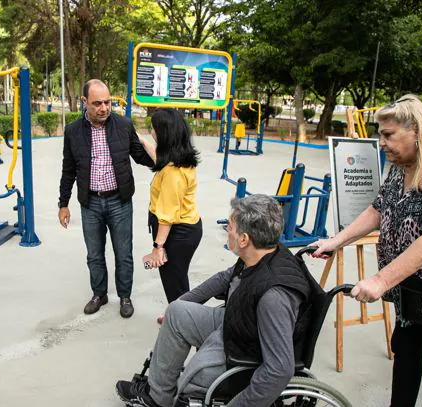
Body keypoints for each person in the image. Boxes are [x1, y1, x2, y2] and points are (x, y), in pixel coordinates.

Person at [312, 94, 422, 407]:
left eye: (388, 135)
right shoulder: (403, 165)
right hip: (412, 287)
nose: (382, 142)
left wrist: (379, 281)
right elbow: (377, 209)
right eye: (380, 135)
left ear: (417, 131)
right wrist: (335, 242)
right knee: (405, 356)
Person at [116, 194, 319, 407]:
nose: (227, 232)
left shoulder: (274, 297)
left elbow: (279, 370)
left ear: (244, 239)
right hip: (239, 321)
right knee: (177, 312)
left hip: (244, 348)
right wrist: (183, 301)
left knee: (192, 379)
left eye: (230, 227)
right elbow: (225, 278)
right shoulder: (263, 253)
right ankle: (157, 397)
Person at [58, 79, 154, 318]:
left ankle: (125, 297)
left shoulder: (123, 125)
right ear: (84, 102)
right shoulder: (73, 131)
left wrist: (163, 155)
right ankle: (99, 294)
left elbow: (141, 157)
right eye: (97, 103)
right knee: (94, 254)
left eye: (107, 102)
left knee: (124, 252)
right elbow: (68, 169)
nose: (104, 107)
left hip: (119, 202)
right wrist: (63, 203)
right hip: (89, 203)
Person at [141, 108, 202, 309]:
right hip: (187, 228)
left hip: (176, 233)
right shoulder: (179, 158)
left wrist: (158, 247)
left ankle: (182, 324)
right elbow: (158, 157)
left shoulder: (172, 174)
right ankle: (179, 316)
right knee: (178, 277)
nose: (152, 131)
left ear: (163, 133)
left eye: (154, 127)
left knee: (174, 283)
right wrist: (142, 141)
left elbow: (167, 215)